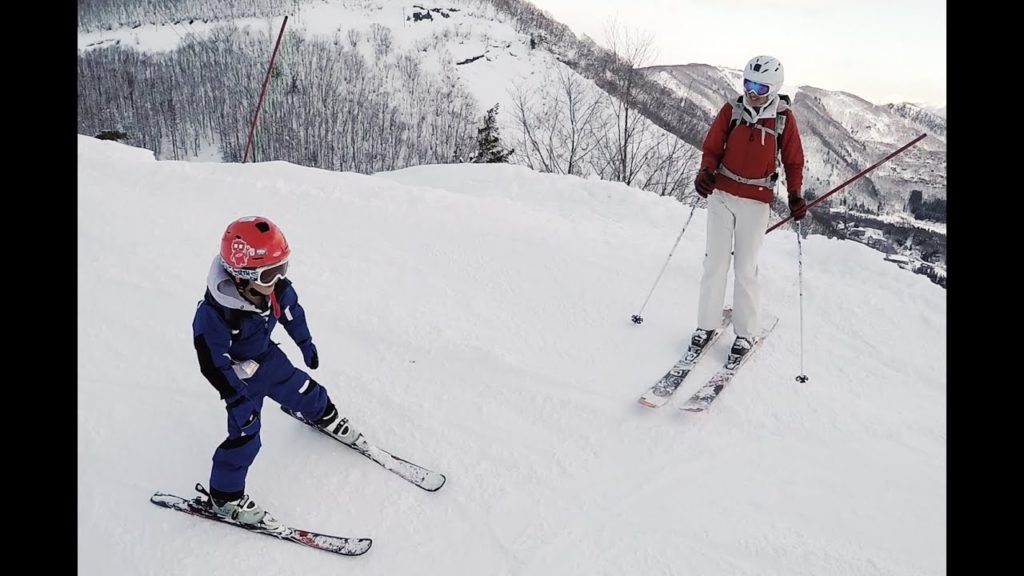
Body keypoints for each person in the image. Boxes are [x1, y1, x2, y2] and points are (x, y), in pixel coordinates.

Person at [192, 216, 360, 525]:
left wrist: (305, 343)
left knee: (301, 387)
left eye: (283, 268)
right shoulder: (214, 314)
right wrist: (236, 399)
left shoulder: (271, 289)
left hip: (267, 359)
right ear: (241, 275)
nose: (279, 278)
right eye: (271, 272)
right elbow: (211, 362)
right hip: (239, 379)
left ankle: (323, 414)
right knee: (246, 437)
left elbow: (293, 313)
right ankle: (224, 498)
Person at [690, 55, 807, 358]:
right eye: (748, 84)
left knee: (745, 269)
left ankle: (746, 333)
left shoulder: (783, 119)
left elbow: (794, 161)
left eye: (760, 87)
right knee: (714, 263)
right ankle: (706, 325)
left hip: (756, 202)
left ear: (774, 87)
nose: (752, 92)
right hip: (722, 195)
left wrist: (794, 194)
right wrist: (705, 173)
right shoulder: (732, 110)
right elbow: (712, 148)